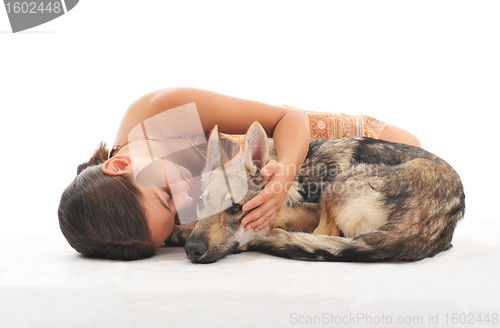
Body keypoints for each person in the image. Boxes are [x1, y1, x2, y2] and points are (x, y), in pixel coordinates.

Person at [58, 87, 420, 260]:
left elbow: (285, 119)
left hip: (306, 140)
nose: (186, 201)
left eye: (167, 195)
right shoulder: (150, 208)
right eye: (175, 217)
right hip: (310, 195)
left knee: (411, 146)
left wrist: (282, 181)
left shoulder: (156, 114)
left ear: (119, 165)